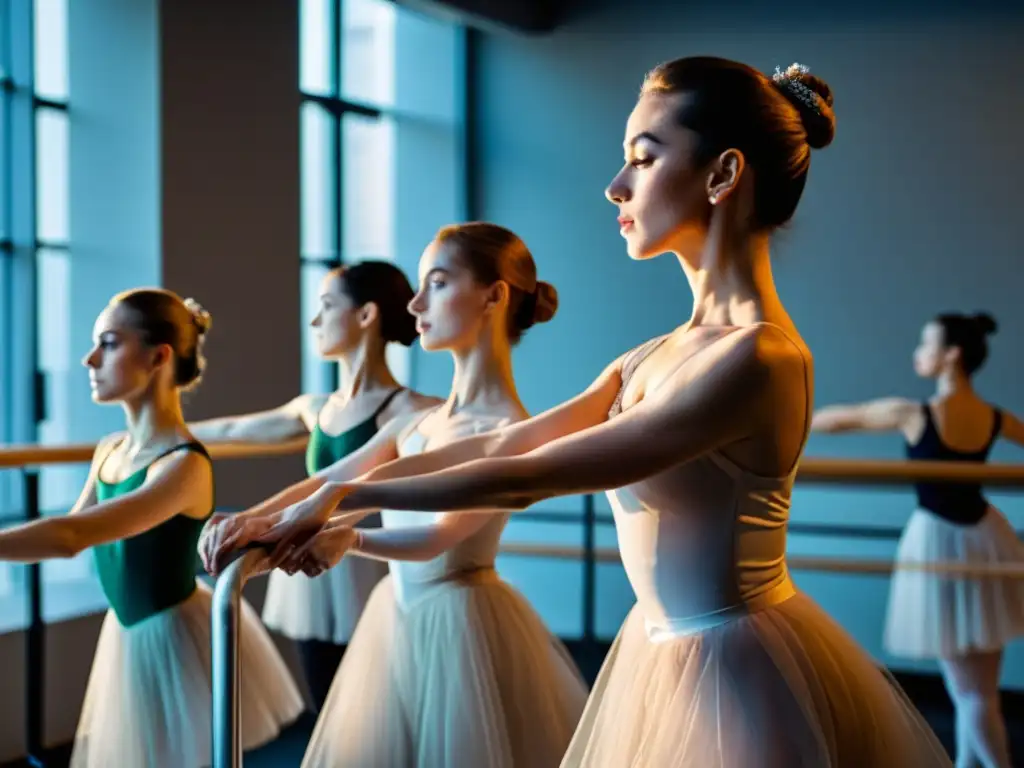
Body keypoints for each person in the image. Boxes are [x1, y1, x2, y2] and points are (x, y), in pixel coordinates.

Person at [215, 59, 954, 766]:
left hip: (737, 676)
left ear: (724, 174)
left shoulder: (759, 359)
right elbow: (501, 444)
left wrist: (345, 496)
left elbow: (527, 476)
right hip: (661, 653)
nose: (615, 187)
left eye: (642, 157)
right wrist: (304, 507)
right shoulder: (648, 356)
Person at [203, 222, 588, 767]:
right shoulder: (420, 419)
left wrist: (351, 538)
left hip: (459, 624)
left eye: (437, 283)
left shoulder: (509, 426)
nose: (413, 303)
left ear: (494, 295)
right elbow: (330, 478)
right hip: (398, 614)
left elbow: (438, 537)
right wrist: (251, 519)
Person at [0, 289, 303, 768]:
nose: (89, 358)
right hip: (126, 633)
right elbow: (71, 530)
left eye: (109, 343)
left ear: (158, 356)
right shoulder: (110, 449)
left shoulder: (183, 466)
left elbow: (70, 538)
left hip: (172, 638)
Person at [190, 260, 438, 709]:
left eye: (327, 306)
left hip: (367, 564)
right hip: (310, 565)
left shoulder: (412, 409)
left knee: (383, 703)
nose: (314, 320)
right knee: (327, 701)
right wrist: (139, 437)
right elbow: (230, 430)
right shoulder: (315, 407)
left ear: (366, 315)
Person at [812, 312, 1024, 768]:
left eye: (926, 345)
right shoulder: (993, 418)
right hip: (987, 540)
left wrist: (782, 414)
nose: (918, 354)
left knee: (970, 693)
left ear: (952, 355)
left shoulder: (914, 414)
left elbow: (844, 420)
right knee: (978, 690)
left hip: (943, 545)